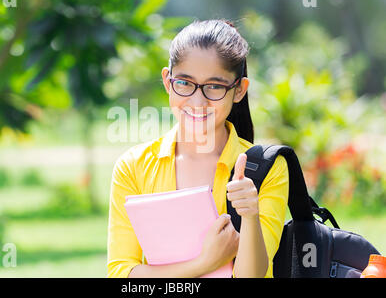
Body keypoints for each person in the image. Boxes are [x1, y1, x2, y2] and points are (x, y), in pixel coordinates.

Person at [107, 19, 289, 278]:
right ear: (168, 81)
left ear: (239, 90)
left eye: (214, 86)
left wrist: (249, 215)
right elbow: (121, 274)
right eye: (185, 82)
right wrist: (205, 262)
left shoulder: (265, 169)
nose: (197, 100)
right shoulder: (134, 166)